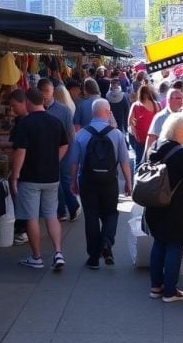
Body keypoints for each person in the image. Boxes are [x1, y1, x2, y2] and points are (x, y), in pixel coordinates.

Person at [143, 114, 183, 302]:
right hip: (175, 207)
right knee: (174, 246)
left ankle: (156, 287)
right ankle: (170, 291)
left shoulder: (156, 146)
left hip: (155, 203)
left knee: (159, 243)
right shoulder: (181, 152)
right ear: (178, 130)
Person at [69, 99, 132, 269]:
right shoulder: (117, 134)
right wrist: (128, 182)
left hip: (87, 180)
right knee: (111, 213)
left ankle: (93, 257)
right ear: (106, 112)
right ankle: (106, 242)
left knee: (91, 217)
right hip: (109, 181)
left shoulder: (81, 134)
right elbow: (124, 161)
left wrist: (73, 181)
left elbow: (74, 161)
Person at [11, 88, 70, 270]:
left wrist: (15, 175)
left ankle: (37, 257)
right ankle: (58, 252)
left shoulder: (26, 124)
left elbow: (20, 151)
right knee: (52, 215)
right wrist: (54, 160)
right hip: (51, 176)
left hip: (30, 177)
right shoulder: (55, 121)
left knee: (32, 218)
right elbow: (65, 144)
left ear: (28, 101)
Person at [38, 78, 80, 223]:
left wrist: (70, 152)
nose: (45, 95)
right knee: (56, 182)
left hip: (65, 150)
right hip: (46, 152)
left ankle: (72, 206)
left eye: (47, 92)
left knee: (64, 181)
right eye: (42, 91)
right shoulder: (37, 109)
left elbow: (70, 134)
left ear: (52, 92)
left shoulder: (63, 110)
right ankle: (62, 210)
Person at [6, 89, 31, 245]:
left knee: (22, 198)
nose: (12, 110)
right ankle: (22, 227)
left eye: (14, 106)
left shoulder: (26, 122)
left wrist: (14, 175)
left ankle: (22, 229)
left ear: (23, 102)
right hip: (22, 164)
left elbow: (21, 148)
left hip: (24, 167)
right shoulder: (21, 120)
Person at [145, 88, 183, 154]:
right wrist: (146, 157)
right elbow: (151, 139)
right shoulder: (160, 117)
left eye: (182, 98)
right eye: (179, 98)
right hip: (165, 157)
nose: (182, 101)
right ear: (169, 100)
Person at [128, 85, 159, 166]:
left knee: (140, 161)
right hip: (151, 138)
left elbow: (130, 123)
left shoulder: (136, 105)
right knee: (151, 161)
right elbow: (131, 123)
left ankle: (138, 177)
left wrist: (135, 134)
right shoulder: (156, 105)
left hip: (143, 138)